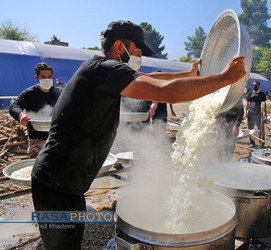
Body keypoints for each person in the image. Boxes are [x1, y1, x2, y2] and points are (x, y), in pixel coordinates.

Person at [30, 20, 246, 250]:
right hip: (54, 183)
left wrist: (188, 73)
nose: (139, 56)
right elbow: (168, 92)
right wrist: (224, 78)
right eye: (137, 51)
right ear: (119, 48)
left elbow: (153, 77)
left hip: (66, 183)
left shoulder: (103, 70)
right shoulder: (105, 69)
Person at [9, 62, 62, 158]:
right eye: (43, 76)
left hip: (55, 137)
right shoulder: (29, 93)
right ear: (36, 78)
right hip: (36, 139)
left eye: (50, 76)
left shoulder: (59, 93)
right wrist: (21, 116)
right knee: (35, 166)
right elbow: (14, 106)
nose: (47, 79)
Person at [243, 81, 267, 147]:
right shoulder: (250, 94)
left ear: (259, 86)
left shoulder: (262, 94)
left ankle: (261, 143)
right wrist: (245, 113)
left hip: (259, 114)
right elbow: (247, 104)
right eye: (253, 85)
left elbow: (264, 104)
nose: (254, 86)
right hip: (251, 113)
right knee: (251, 129)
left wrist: (265, 114)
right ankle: (252, 143)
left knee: (261, 129)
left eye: (255, 85)